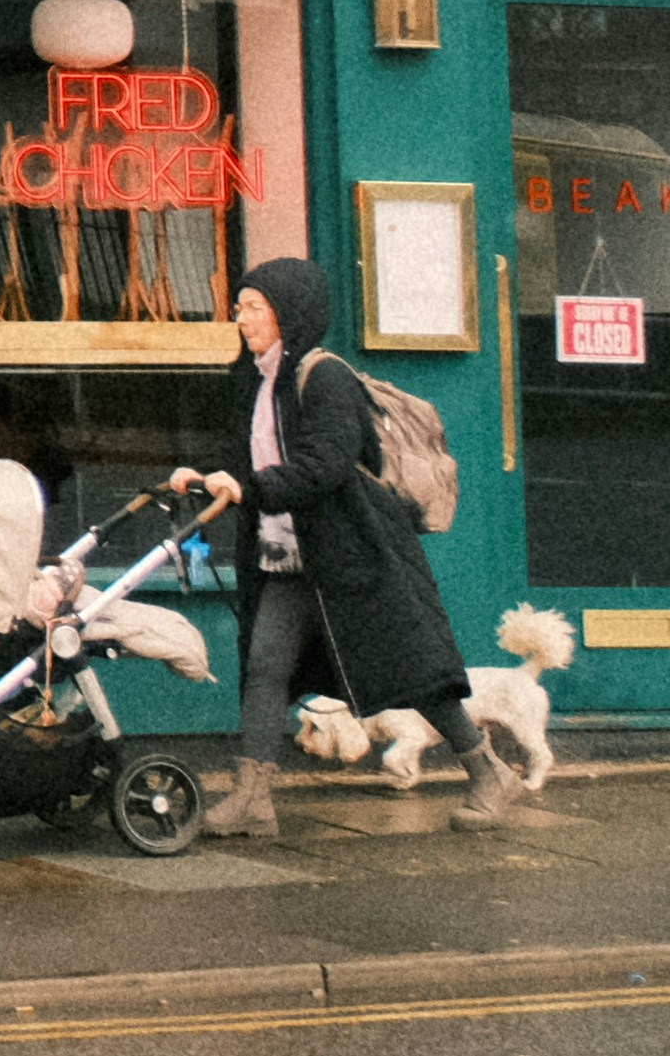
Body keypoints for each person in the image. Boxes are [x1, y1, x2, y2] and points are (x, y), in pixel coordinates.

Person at [170, 254, 514, 835]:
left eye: (254, 308)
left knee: (411, 671)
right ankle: (253, 797)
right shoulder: (255, 379)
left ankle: (488, 771)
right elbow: (249, 460)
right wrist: (205, 476)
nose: (242, 319)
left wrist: (250, 488)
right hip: (284, 556)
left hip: (352, 554)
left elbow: (325, 465)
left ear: (290, 312)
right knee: (265, 667)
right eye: (240, 308)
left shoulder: (325, 377)